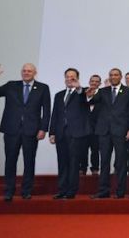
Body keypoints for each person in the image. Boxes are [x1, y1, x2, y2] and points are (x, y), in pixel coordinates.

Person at [0, 62, 51, 201]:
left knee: (29, 161)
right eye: (24, 70)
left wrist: (43, 129)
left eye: (29, 71)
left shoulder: (43, 88)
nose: (26, 73)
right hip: (11, 130)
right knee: (10, 160)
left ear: (35, 73)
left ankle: (26, 190)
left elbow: (46, 111)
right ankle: (9, 190)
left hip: (32, 130)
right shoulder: (11, 85)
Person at [89, 67, 129, 199]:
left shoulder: (128, 92)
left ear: (120, 77)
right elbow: (90, 100)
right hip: (104, 131)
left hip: (121, 131)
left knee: (121, 162)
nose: (113, 77)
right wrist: (86, 93)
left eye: (116, 75)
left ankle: (120, 192)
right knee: (104, 162)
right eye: (111, 75)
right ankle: (103, 190)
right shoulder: (103, 91)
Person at [48, 68, 90, 200]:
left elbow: (86, 99)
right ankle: (62, 190)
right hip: (61, 133)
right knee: (62, 162)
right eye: (67, 76)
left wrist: (79, 89)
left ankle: (71, 191)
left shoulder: (83, 92)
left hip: (76, 133)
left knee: (73, 163)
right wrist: (52, 132)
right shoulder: (59, 95)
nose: (69, 79)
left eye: (72, 77)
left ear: (77, 78)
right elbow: (55, 114)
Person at [79, 74, 101, 175]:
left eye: (97, 81)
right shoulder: (83, 93)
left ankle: (95, 169)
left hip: (97, 129)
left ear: (100, 83)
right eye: (92, 81)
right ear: (89, 82)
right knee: (82, 150)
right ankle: (82, 168)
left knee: (95, 150)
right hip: (83, 128)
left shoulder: (103, 94)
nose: (94, 83)